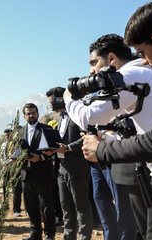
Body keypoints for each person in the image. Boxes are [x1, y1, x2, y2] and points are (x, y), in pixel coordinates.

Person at [65, 33, 152, 240]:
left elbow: (89, 117)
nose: (91, 70)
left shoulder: (130, 75)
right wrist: (109, 140)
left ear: (111, 59)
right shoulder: (148, 72)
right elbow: (145, 132)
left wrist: (69, 97)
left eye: (94, 62)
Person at [46, 87, 93, 239]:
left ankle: (85, 237)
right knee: (66, 207)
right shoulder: (61, 119)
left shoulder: (79, 114)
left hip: (77, 167)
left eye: (52, 101)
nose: (51, 105)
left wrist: (69, 147)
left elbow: (86, 136)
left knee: (81, 206)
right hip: (61, 168)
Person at [20, 103, 57, 240]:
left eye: (33, 113)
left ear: (38, 113)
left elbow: (53, 150)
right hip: (26, 174)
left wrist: (41, 157)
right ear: (24, 116)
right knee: (31, 206)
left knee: (47, 206)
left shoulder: (46, 129)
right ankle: (35, 233)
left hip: (43, 174)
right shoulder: (19, 132)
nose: (31, 115)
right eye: (28, 113)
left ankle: (49, 234)